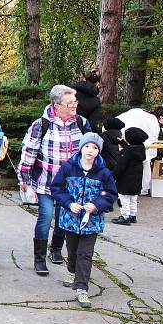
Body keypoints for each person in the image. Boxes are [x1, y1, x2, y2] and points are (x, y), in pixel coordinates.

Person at [18, 84, 89, 275]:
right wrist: (24, 178)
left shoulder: (81, 123)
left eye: (75, 101)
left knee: (62, 218)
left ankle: (56, 248)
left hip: (70, 185)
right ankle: (39, 259)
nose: (75, 105)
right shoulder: (41, 125)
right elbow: (29, 152)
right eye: (70, 103)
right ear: (56, 105)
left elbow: (89, 151)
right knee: (46, 217)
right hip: (45, 182)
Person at [51, 133, 117, 308]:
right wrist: (68, 203)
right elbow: (57, 188)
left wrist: (96, 204)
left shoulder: (103, 172)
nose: (91, 150)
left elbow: (110, 193)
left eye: (95, 148)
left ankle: (81, 288)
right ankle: (72, 271)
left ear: (99, 152)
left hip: (91, 222)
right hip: (71, 220)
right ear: (81, 148)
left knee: (85, 254)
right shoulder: (68, 168)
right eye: (88, 146)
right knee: (72, 251)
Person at [111, 127, 148, 225]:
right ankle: (132, 215)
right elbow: (131, 149)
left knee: (124, 200)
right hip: (136, 181)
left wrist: (112, 177)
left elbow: (120, 167)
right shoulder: (140, 148)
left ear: (130, 138)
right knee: (133, 199)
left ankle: (125, 217)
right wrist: (123, 143)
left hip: (125, 181)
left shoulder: (126, 152)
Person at [74, 69, 102, 134]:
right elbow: (92, 126)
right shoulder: (96, 102)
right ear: (97, 83)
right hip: (79, 134)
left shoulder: (70, 91)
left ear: (85, 78)